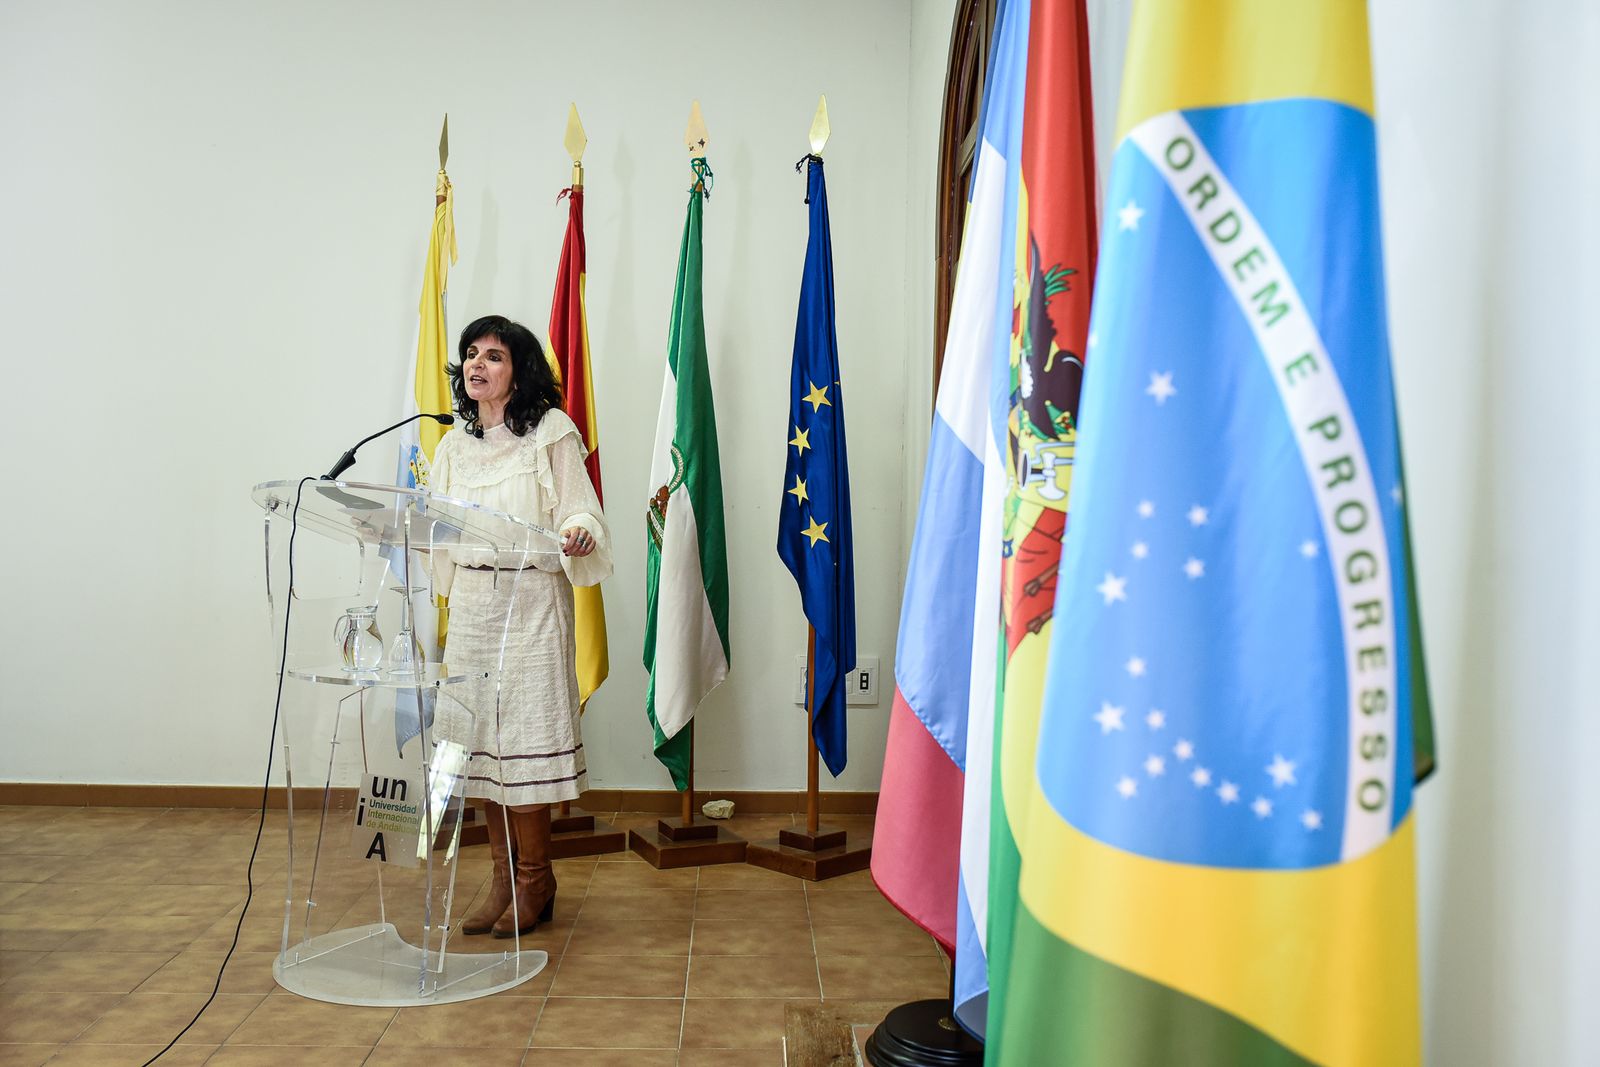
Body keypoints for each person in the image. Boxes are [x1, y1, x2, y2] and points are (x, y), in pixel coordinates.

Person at [427, 314, 611, 938]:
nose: (478, 365)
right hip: (476, 605)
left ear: (519, 370)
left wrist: (581, 530)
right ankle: (503, 879)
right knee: (480, 748)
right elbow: (433, 524)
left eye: (494, 356)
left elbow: (580, 503)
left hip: (532, 602)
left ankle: (537, 879)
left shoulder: (550, 432)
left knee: (524, 747)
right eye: (471, 354)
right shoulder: (452, 445)